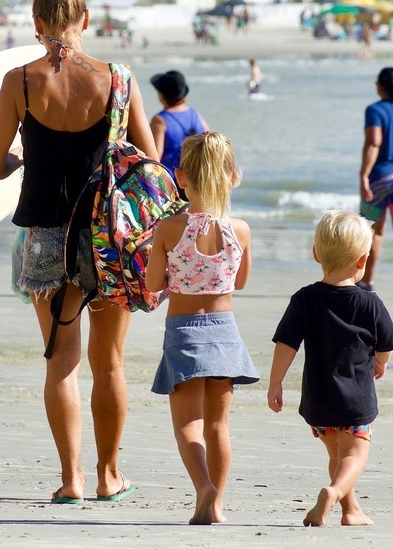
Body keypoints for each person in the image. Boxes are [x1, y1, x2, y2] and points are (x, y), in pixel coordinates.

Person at [0, 0, 157, 504]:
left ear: (36, 21)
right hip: (107, 238)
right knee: (109, 363)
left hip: (46, 235)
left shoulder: (20, 82)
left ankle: (71, 479)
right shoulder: (119, 80)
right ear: (86, 16)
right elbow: (150, 164)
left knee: (62, 360)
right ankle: (109, 475)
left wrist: (20, 158)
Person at [146, 132, 259, 525]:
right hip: (225, 330)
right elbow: (240, 282)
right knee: (218, 426)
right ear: (231, 176)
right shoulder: (240, 230)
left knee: (187, 425)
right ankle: (218, 504)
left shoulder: (169, 228)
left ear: (180, 176)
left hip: (183, 329)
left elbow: (153, 283)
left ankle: (202, 489)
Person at [268, 210, 393, 527]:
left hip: (318, 401)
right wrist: (380, 363)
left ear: (316, 255)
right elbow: (388, 343)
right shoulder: (369, 303)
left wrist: (275, 384)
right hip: (356, 401)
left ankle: (349, 510)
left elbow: (286, 344)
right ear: (362, 261)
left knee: (337, 456)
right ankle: (334, 492)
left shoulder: (304, 299)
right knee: (354, 456)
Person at [358, 66, 393, 291]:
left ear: (381, 87)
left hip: (381, 179)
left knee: (373, 231)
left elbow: (374, 142)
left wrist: (364, 174)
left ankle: (367, 282)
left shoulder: (375, 110)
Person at [149, 69, 209, 195]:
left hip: (172, 184)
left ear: (161, 94)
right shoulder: (195, 115)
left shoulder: (160, 120)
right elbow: (209, 144)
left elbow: (155, 157)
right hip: (196, 181)